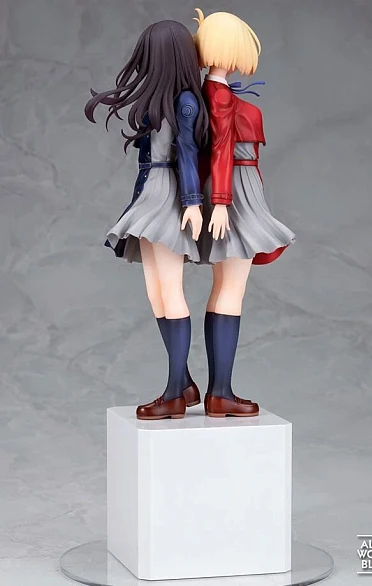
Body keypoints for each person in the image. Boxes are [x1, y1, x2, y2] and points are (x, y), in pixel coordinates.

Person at [85, 20, 208, 420]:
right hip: (149, 194)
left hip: (168, 198)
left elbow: (187, 153)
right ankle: (183, 382)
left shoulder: (185, 102)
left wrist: (192, 202)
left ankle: (174, 393)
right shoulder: (162, 99)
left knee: (170, 291)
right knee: (156, 293)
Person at [194, 9, 296, 417]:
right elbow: (220, 147)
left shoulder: (209, 92)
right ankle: (220, 392)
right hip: (235, 190)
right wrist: (221, 201)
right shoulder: (218, 97)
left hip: (235, 187)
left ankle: (219, 390)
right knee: (231, 289)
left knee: (225, 288)